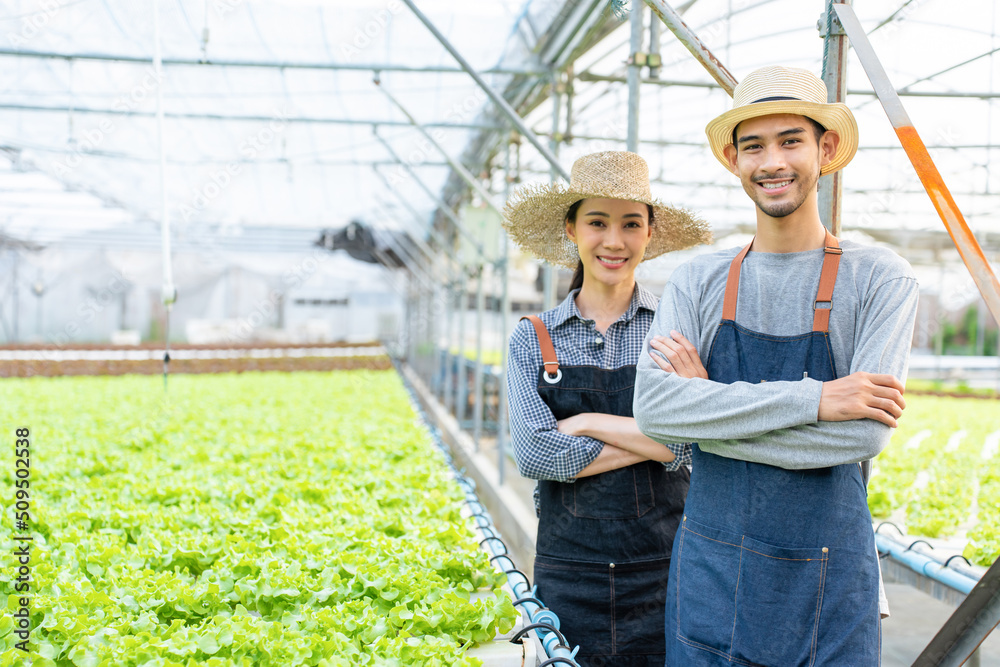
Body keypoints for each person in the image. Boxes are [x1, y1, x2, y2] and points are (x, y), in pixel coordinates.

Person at [633, 66, 920, 665]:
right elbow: (656, 412)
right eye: (754, 146)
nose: (773, 162)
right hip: (713, 573)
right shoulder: (696, 280)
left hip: (829, 584)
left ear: (827, 148)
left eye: (791, 140)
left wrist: (708, 411)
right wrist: (816, 402)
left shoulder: (880, 278)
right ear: (734, 160)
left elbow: (862, 433)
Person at [503, 150, 711, 666]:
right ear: (572, 229)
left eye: (630, 223)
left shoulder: (676, 332)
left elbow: (692, 443)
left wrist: (586, 422)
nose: (613, 241)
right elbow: (535, 454)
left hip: (663, 568)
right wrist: (655, 441)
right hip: (568, 573)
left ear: (649, 233)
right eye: (597, 222)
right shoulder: (534, 338)